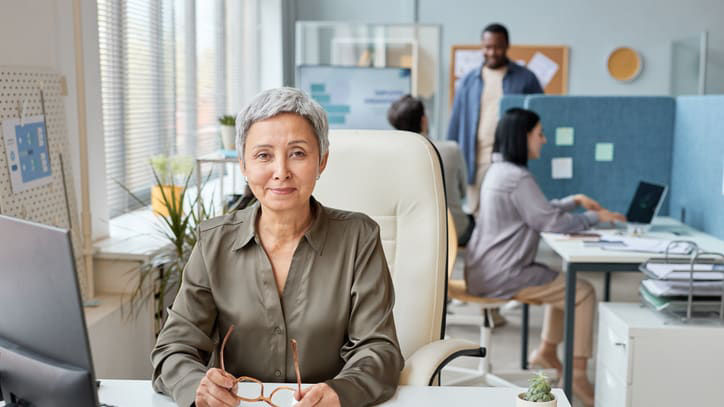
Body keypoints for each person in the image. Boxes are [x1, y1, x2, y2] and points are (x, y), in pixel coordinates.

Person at [151, 87, 404, 407]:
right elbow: (174, 348)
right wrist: (196, 386)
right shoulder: (213, 242)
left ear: (322, 161)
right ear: (243, 164)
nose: (281, 171)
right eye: (263, 155)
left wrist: (341, 392)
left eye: (298, 153)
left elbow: (378, 349)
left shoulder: (359, 238)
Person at [464, 108, 625, 407]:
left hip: (485, 269)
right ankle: (577, 375)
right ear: (522, 137)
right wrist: (595, 217)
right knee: (583, 291)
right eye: (539, 134)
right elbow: (550, 222)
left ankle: (547, 351)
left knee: (563, 283)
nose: (544, 140)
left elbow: (536, 209)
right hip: (503, 274)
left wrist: (573, 201)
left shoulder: (497, 171)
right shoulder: (518, 177)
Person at [447, 23, 544, 216]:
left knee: (509, 214)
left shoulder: (526, 78)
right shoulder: (467, 81)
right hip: (476, 161)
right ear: (481, 46)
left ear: (507, 46)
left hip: (511, 160)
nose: (492, 52)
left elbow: (539, 119)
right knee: (476, 215)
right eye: (487, 47)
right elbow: (455, 124)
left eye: (497, 47)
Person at [387, 94, 474, 245]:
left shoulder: (390, 156)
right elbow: (462, 193)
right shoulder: (451, 149)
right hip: (454, 231)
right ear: (423, 120)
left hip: (412, 232)